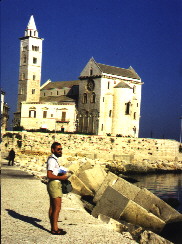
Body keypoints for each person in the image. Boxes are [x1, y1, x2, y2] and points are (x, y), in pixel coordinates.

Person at [46, 142, 70, 235]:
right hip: (54, 185)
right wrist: (62, 178)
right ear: (53, 150)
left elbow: (53, 173)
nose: (60, 151)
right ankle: (55, 229)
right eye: (58, 149)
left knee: (53, 207)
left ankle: (53, 227)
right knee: (57, 207)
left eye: (61, 149)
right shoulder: (52, 160)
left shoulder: (53, 159)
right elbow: (49, 175)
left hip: (53, 184)